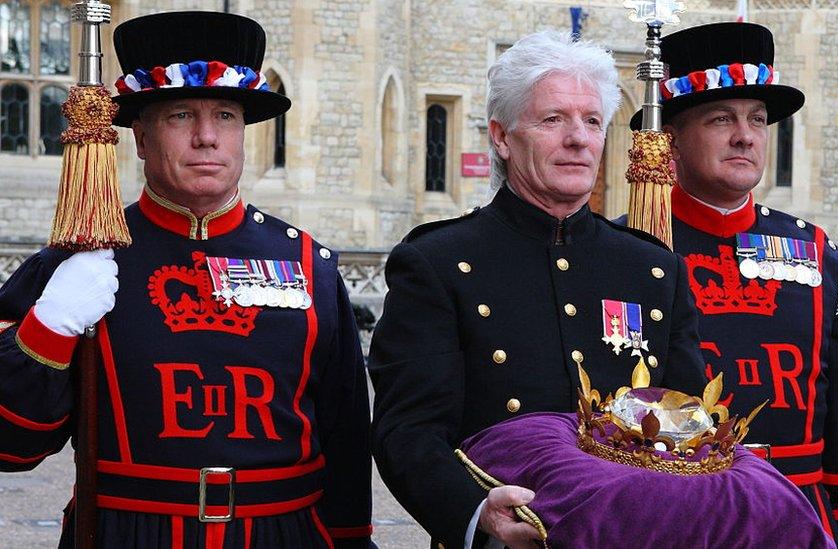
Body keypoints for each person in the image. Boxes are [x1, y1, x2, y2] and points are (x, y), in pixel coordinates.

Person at [0, 11, 372, 548]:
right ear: (142, 139)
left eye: (224, 115)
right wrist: (49, 326)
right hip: (127, 535)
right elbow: (12, 446)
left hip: (282, 535)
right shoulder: (79, 260)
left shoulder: (311, 265)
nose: (206, 137)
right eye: (180, 115)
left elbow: (345, 440)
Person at [369, 30, 707, 549]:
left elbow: (687, 421)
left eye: (592, 121)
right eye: (554, 120)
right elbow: (408, 432)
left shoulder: (653, 269)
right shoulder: (438, 263)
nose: (579, 138)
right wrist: (476, 512)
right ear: (502, 137)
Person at [623, 22, 838, 548]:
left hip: (797, 514)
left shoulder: (815, 252)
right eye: (721, 119)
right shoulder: (627, 251)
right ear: (668, 136)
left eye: (757, 120)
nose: (746, 136)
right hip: (676, 518)